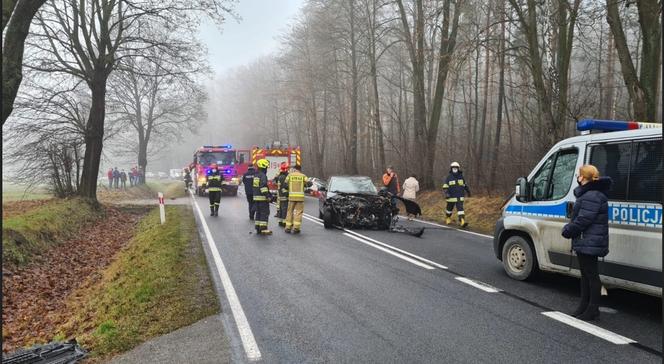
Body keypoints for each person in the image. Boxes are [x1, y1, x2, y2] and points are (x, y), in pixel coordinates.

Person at [562, 165, 611, 321]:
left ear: (583, 178)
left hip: (590, 240)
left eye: (578, 175)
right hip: (586, 240)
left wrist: (568, 230)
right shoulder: (591, 193)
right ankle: (584, 305)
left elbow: (584, 219)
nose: (577, 176)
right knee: (585, 275)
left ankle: (592, 309)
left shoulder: (592, 195)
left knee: (591, 275)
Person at [442, 162, 470, 227]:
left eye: (456, 168)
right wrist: (446, 193)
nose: (455, 169)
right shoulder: (449, 177)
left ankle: (462, 221)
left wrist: (468, 192)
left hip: (459, 197)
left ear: (458, 168)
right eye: (453, 168)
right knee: (449, 210)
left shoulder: (461, 177)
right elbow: (445, 186)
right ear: (451, 169)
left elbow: (464, 185)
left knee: (461, 210)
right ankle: (448, 218)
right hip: (451, 197)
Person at [284, 164, 310, 234]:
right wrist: (304, 185)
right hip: (300, 198)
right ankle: (296, 228)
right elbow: (309, 183)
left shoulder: (289, 175)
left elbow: (285, 185)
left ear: (294, 169)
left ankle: (288, 228)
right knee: (298, 212)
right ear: (300, 169)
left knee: (289, 212)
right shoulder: (303, 176)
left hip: (291, 197)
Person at [253, 159, 272, 235]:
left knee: (258, 213)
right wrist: (267, 196)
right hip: (262, 198)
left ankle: (258, 227)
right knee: (264, 213)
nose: (267, 168)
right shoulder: (263, 175)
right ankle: (263, 229)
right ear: (263, 167)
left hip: (256, 198)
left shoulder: (256, 175)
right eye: (266, 167)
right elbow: (263, 187)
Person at [275, 163, 290, 227]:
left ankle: (280, 221)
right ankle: (284, 222)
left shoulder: (279, 176)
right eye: (287, 169)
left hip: (280, 195)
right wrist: (287, 194)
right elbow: (285, 186)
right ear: (286, 169)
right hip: (284, 195)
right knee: (284, 209)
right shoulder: (284, 177)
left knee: (281, 209)